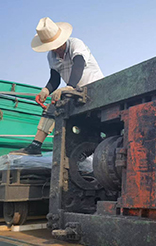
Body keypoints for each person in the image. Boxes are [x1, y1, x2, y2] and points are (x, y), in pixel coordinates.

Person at [10, 17, 104, 156]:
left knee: (61, 108)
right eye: (51, 47)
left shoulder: (75, 44)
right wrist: (46, 90)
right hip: (73, 91)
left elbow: (79, 64)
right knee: (52, 107)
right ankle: (35, 147)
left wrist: (70, 86)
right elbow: (55, 78)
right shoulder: (51, 56)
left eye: (57, 46)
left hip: (94, 88)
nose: (55, 50)